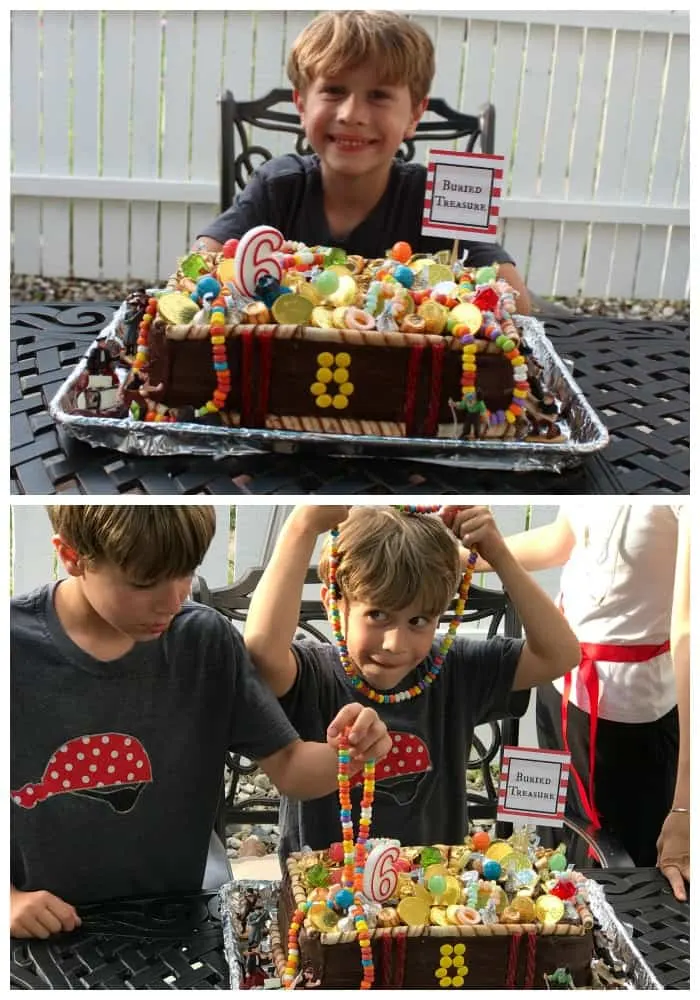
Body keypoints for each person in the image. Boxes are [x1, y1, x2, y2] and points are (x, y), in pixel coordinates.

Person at [10, 505, 391, 939]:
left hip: (178, 917)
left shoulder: (203, 641)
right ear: (72, 556)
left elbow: (289, 765)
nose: (173, 601)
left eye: (185, 573)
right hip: (44, 929)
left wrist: (354, 752)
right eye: (143, 582)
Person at [243, 505, 580, 858]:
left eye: (418, 620)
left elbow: (560, 654)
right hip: (322, 895)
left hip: (433, 897)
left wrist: (498, 554)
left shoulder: (457, 669)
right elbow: (262, 653)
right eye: (377, 615)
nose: (395, 644)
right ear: (332, 603)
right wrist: (302, 525)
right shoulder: (313, 675)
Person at [194, 11, 532, 314]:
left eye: (379, 95)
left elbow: (516, 301)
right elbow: (197, 269)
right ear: (301, 105)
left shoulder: (436, 196)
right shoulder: (278, 186)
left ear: (415, 113)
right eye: (334, 91)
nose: (352, 114)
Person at [471, 504, 689, 899]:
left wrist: (686, 809)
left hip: (633, 716)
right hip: (559, 690)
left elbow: (688, 635)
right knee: (560, 842)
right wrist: (466, 556)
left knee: (626, 877)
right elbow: (563, 540)